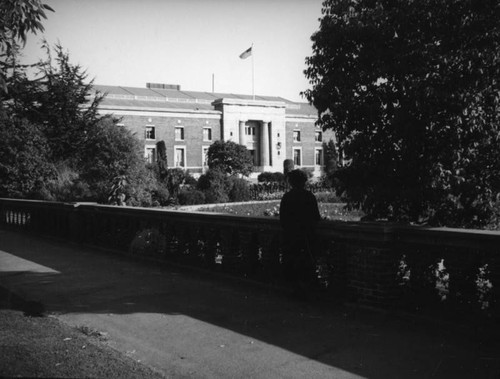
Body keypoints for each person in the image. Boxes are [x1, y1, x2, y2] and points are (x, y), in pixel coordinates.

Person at [279, 169, 321, 297]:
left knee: (293, 262)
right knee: (306, 263)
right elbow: (316, 217)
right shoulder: (309, 196)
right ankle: (306, 289)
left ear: (291, 182)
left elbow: (283, 219)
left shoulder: (287, 197)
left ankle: (297, 289)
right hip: (306, 236)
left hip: (291, 236)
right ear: (304, 182)